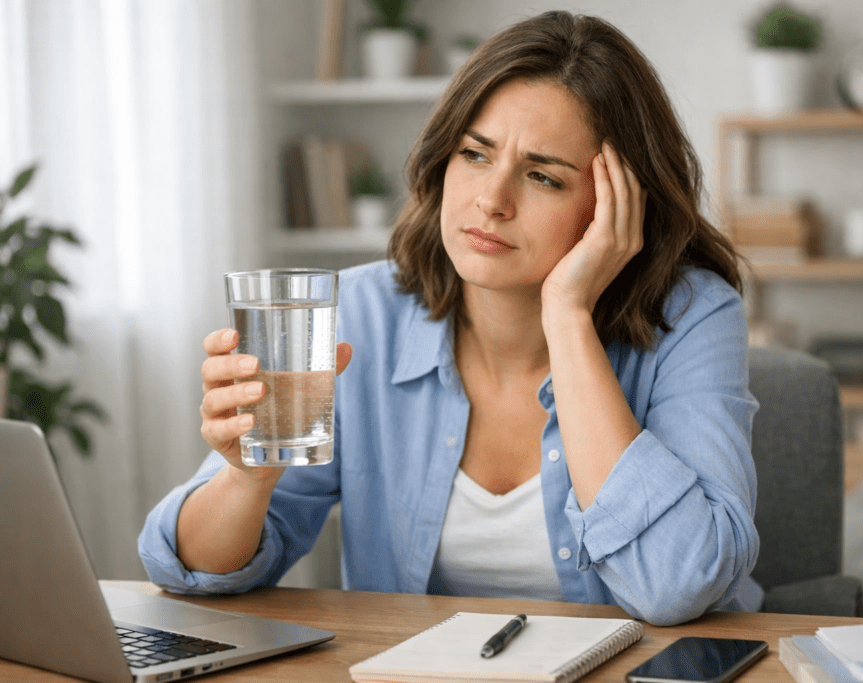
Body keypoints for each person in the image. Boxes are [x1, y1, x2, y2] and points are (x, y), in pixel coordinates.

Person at [139, 11, 761, 626]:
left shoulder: (692, 317)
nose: (492, 201)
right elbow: (192, 572)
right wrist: (247, 480)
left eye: (543, 177)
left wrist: (568, 317)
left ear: (620, 206)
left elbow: (679, 585)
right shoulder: (362, 314)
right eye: (475, 154)